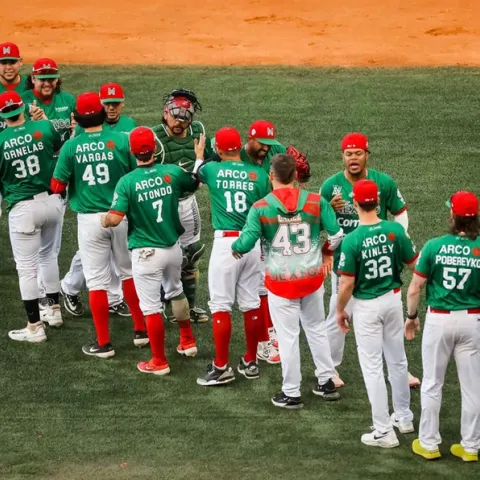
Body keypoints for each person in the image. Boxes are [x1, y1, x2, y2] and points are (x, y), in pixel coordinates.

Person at [232, 153, 343, 408]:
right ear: (295, 176)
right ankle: (326, 381)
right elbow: (337, 235)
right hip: (312, 279)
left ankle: (291, 392)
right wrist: (326, 251)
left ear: (271, 177)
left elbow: (246, 243)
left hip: (281, 284)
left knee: (288, 337)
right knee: (316, 328)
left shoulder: (261, 207)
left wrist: (235, 248)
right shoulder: (316, 201)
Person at [51, 92, 147, 358]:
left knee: (96, 281)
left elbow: (57, 185)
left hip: (90, 220)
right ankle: (141, 331)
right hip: (120, 216)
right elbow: (133, 176)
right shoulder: (120, 140)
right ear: (103, 114)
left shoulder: (72, 146)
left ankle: (104, 343)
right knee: (128, 273)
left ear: (79, 119)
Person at [321, 132, 420, 389]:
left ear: (367, 154)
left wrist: (401, 239)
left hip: (379, 260)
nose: (353, 158)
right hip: (347, 265)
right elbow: (318, 223)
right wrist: (328, 209)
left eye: (358, 153)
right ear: (342, 156)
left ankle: (400, 371)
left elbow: (400, 212)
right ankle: (328, 369)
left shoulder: (383, 182)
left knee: (390, 320)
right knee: (337, 313)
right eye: (348, 154)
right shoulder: (330, 186)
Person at [101, 126, 199, 375]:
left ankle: (159, 361)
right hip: (173, 248)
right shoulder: (171, 172)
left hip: (147, 253)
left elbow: (114, 218)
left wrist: (104, 221)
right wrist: (198, 160)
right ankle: (187, 341)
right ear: (155, 149)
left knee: (151, 308)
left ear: (133, 152)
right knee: (176, 292)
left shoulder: (127, 182)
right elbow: (193, 183)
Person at [336, 179, 418, 448]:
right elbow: (414, 264)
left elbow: (347, 283)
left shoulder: (352, 240)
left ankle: (384, 431)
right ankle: (404, 417)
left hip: (367, 306)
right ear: (379, 203)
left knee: (372, 368)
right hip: (393, 301)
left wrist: (339, 310)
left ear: (356, 204)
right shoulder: (395, 230)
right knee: (397, 359)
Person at [407, 191, 480, 462]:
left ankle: (428, 443)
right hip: (472, 320)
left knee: (432, 383)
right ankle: (471, 447)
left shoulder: (435, 246)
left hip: (439, 319)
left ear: (453, 216)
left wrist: (411, 316)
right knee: (472, 387)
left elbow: (415, 288)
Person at [195, 126, 270, 386]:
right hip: (253, 244)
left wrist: (199, 155)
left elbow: (198, 171)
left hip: (226, 244)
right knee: (251, 303)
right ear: (239, 147)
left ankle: (221, 366)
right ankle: (250, 361)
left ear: (218, 149)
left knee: (220, 305)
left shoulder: (212, 169)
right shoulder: (260, 175)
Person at [61, 82, 137, 317]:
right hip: (94, 203)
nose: (112, 108)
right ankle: (70, 287)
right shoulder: (82, 131)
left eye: (115, 104)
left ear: (122, 104)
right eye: (108, 104)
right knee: (93, 257)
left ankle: (114, 299)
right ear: (101, 108)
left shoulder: (130, 126)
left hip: (118, 205)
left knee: (117, 258)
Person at [0, 91, 64, 342]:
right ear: (22, 109)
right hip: (52, 201)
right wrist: (41, 119)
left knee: (26, 269)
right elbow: (58, 144)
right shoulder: (44, 128)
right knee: (49, 256)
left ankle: (35, 327)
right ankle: (54, 311)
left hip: (23, 209)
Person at [152, 88, 213, 323]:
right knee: (161, 256)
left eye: (185, 118)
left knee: (191, 254)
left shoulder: (198, 131)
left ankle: (189, 307)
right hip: (163, 204)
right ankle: (158, 302)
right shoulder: (154, 136)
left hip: (188, 202)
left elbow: (207, 159)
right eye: (175, 116)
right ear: (165, 112)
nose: (179, 122)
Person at [21, 58, 75, 144]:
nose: (47, 84)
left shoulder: (68, 99)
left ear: (57, 79)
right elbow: (17, 136)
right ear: (33, 79)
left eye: (51, 79)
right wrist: (31, 124)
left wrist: (78, 128)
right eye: (42, 80)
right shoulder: (23, 101)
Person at [0, 42, 28, 132]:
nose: (8, 67)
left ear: (20, 62)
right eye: (3, 63)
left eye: (12, 62)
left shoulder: (32, 86)